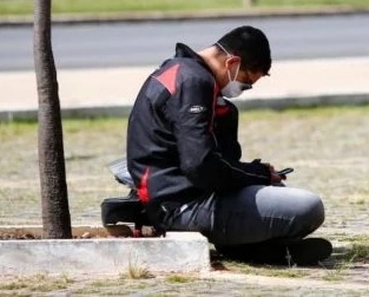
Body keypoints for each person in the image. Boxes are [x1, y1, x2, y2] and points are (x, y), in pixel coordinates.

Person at [125, 25, 331, 266]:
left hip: (177, 195)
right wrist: (259, 174)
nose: (241, 90)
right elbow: (200, 166)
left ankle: (250, 246)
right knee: (308, 207)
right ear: (231, 62)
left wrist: (255, 173)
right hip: (180, 206)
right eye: (245, 83)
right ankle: (246, 247)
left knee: (282, 197)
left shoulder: (180, 71)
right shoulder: (194, 82)